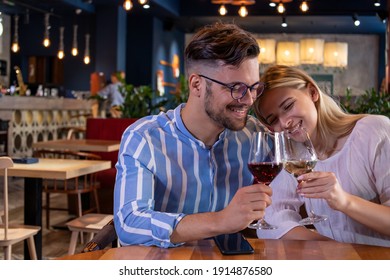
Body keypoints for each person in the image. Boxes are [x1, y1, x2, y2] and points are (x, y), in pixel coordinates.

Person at [113, 22, 272, 248]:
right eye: (236, 88)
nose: (248, 100)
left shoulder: (254, 136)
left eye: (254, 87)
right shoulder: (145, 138)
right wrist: (220, 220)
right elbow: (130, 224)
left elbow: (308, 154)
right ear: (197, 84)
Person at [253, 65, 390, 247]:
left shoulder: (374, 131)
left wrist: (343, 201)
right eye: (273, 120)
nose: (285, 122)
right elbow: (272, 219)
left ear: (312, 92)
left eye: (288, 106)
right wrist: (330, 247)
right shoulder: (296, 155)